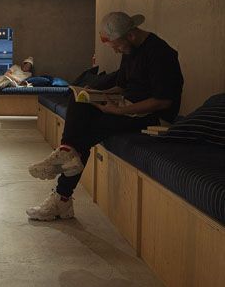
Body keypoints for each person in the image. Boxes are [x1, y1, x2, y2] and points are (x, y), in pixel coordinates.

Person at [26, 12, 183, 221]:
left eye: (117, 46)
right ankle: (66, 154)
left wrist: (118, 111)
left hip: (154, 117)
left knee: (87, 130)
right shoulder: (130, 49)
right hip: (130, 107)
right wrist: (96, 94)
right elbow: (123, 86)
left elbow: (163, 102)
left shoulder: (160, 53)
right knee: (79, 101)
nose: (116, 50)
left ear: (130, 35)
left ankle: (62, 193)